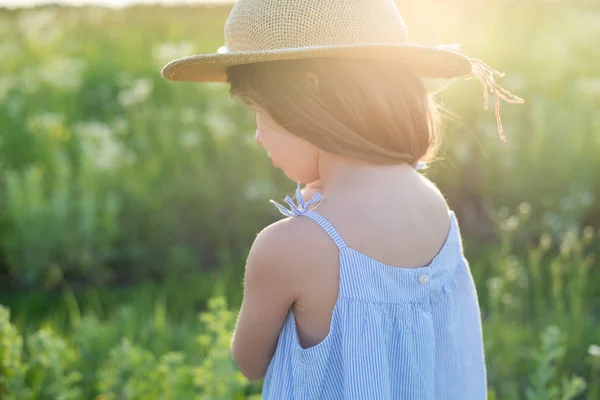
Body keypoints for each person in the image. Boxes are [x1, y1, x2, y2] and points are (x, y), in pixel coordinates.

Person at [162, 0, 524, 398]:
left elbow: (248, 362)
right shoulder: (432, 202)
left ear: (309, 93)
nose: (258, 136)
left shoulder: (289, 246)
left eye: (257, 111)